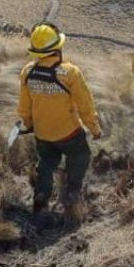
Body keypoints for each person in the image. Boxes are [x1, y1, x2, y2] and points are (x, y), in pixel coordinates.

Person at [18, 22, 101, 223]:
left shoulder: (28, 71)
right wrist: (95, 129)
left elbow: (24, 107)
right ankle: (72, 192)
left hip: (42, 134)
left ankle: (41, 198)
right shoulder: (70, 72)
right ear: (57, 48)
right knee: (81, 156)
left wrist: (27, 124)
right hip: (69, 133)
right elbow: (85, 106)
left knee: (46, 163)